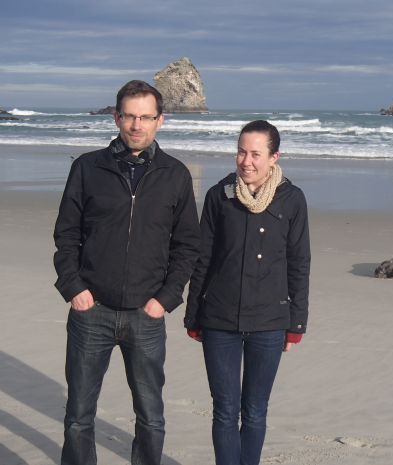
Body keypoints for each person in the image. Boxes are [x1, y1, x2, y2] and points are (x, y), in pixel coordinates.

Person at [53, 80, 201, 465]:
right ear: (117, 117)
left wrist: (165, 300)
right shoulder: (88, 168)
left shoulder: (175, 175)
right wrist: (73, 288)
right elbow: (66, 234)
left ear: (160, 120)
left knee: (151, 417)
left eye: (146, 117)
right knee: (78, 418)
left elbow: (187, 246)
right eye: (130, 116)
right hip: (91, 312)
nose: (137, 125)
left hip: (146, 315)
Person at [184, 120, 310, 465]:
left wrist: (296, 323)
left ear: (274, 157)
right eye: (241, 151)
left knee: (255, 410)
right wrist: (193, 315)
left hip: (270, 321)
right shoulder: (219, 196)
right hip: (219, 320)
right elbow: (202, 260)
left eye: (255, 153)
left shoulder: (292, 199)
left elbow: (299, 263)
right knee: (224, 411)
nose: (246, 161)